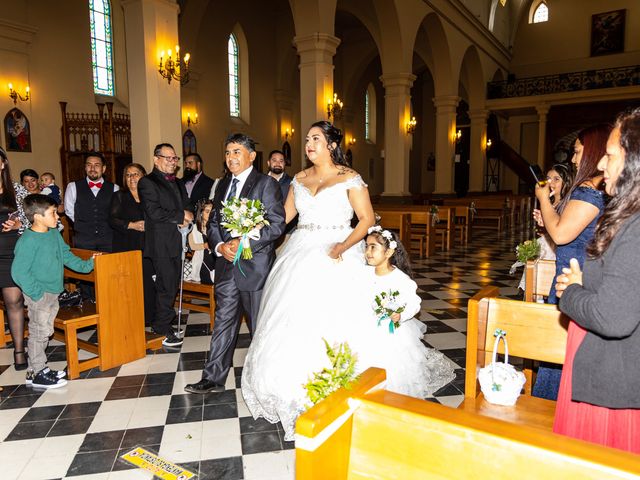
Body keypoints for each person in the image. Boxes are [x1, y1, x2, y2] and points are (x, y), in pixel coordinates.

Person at [240, 121, 376, 440]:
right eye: (306, 139)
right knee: (291, 317)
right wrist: (250, 228)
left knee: (332, 319)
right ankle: (289, 383)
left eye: (316, 138)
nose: (308, 144)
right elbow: (283, 219)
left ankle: (338, 383)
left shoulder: (349, 177)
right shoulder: (298, 179)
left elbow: (368, 219)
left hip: (337, 249)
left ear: (330, 144)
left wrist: (343, 246)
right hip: (300, 250)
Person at [553, 108, 640, 454]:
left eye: (611, 155)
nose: (602, 165)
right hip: (605, 368)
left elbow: (613, 316)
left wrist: (570, 291)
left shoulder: (635, 227)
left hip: (612, 381)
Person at [184, 133, 285, 394]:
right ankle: (213, 378)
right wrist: (219, 246)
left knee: (259, 326)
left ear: (251, 156)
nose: (231, 158)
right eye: (228, 152)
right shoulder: (222, 185)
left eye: (237, 152)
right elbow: (214, 222)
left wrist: (245, 243)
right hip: (227, 266)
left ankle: (268, 380)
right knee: (223, 322)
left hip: (256, 268)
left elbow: (277, 225)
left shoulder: (265, 184)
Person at [532, 124, 610, 401]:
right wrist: (550, 220)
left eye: (578, 152)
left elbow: (563, 235)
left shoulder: (588, 190)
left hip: (572, 281)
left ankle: (547, 416)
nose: (574, 159)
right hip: (579, 277)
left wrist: (544, 199)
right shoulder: (599, 189)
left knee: (557, 357)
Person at [12, 194, 95, 388]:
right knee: (38, 332)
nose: (58, 217)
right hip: (39, 295)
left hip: (53, 292)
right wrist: (36, 293)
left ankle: (36, 370)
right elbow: (19, 272)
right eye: (53, 214)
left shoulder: (53, 234)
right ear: (38, 216)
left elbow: (66, 255)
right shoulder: (28, 240)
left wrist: (87, 265)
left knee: (46, 330)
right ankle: (38, 371)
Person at [364, 226, 455, 397]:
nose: (368, 252)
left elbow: (414, 304)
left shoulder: (400, 279)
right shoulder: (364, 274)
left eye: (373, 247)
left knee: (393, 361)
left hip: (393, 331)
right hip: (367, 324)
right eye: (367, 247)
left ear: (389, 252)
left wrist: (401, 314)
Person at [138, 144, 193, 347]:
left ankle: (164, 321)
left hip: (177, 241)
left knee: (172, 285)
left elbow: (187, 204)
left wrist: (189, 213)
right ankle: (161, 327)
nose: (172, 162)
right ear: (156, 159)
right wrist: (181, 216)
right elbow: (154, 212)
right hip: (160, 243)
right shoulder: (147, 182)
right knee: (166, 286)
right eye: (168, 158)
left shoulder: (178, 183)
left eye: (175, 158)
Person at [109, 163, 155, 325]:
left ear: (144, 176)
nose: (132, 178)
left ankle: (149, 318)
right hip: (126, 245)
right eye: (128, 175)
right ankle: (131, 318)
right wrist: (133, 225)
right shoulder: (119, 196)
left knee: (148, 282)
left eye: (136, 174)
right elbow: (112, 220)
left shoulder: (150, 195)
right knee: (129, 284)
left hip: (149, 245)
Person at [0, 146, 29, 370]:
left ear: (3, 163)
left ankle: (19, 351)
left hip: (10, 253)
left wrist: (19, 224)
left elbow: (33, 217)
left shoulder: (16, 190)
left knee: (14, 301)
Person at [64, 153, 119, 253]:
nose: (92, 168)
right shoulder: (72, 187)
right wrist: (82, 224)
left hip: (108, 239)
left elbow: (116, 213)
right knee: (84, 267)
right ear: (85, 168)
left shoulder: (115, 188)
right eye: (89, 165)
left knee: (108, 267)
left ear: (104, 168)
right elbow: (69, 210)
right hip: (83, 239)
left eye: (97, 165)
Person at [186, 199, 215, 285]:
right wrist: (205, 245)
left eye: (211, 211)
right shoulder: (194, 228)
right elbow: (192, 246)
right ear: (201, 213)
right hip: (202, 261)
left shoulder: (216, 228)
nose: (210, 214)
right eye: (207, 211)